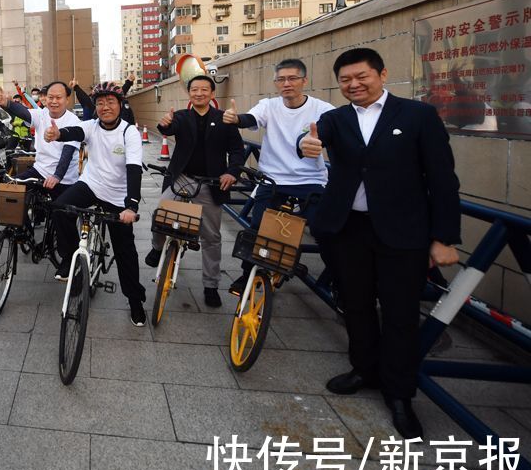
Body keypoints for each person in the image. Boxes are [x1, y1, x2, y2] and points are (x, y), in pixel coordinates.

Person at [298, 47, 461, 440]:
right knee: (355, 305)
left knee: (401, 313)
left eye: (361, 77)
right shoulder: (334, 119)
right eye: (346, 80)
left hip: (403, 233)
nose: (354, 85)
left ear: (382, 73)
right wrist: (306, 144)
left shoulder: (417, 116)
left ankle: (400, 394)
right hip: (348, 229)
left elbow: (442, 179)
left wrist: (443, 238)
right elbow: (312, 140)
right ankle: (363, 369)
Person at [221, 58, 335, 296]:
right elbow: (251, 119)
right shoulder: (269, 105)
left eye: (293, 78)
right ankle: (246, 276)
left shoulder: (322, 109)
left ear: (304, 80)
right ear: (275, 82)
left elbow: (330, 132)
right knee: (257, 229)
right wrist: (236, 119)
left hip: (310, 181)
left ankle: (338, 282)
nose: (287, 84)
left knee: (326, 232)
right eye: (281, 79)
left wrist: (317, 142)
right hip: (272, 180)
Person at [45, 82, 147, 325]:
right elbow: (74, 132)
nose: (104, 107)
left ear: (120, 104)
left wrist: (131, 206)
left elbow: (134, 170)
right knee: (59, 209)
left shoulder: (128, 132)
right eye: (100, 103)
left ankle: (135, 301)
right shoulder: (91, 126)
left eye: (110, 102)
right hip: (90, 185)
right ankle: (70, 259)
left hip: (118, 196)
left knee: (125, 252)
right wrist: (58, 134)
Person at [148, 75, 244, 308]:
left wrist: (231, 173)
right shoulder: (181, 116)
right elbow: (167, 128)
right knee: (159, 213)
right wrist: (164, 123)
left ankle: (211, 285)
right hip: (182, 178)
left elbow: (238, 151)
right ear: (189, 93)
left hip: (212, 183)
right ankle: (157, 247)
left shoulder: (224, 119)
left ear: (212, 94)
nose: (199, 93)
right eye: (194, 90)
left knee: (211, 236)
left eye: (204, 90)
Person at [0, 81, 80, 197]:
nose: (54, 101)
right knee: (9, 188)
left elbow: (67, 154)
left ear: (67, 99)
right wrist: (6, 103)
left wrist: (57, 176)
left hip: (64, 178)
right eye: (51, 97)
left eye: (58, 97)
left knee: (58, 213)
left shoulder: (74, 122)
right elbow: (24, 113)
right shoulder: (41, 114)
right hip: (40, 171)